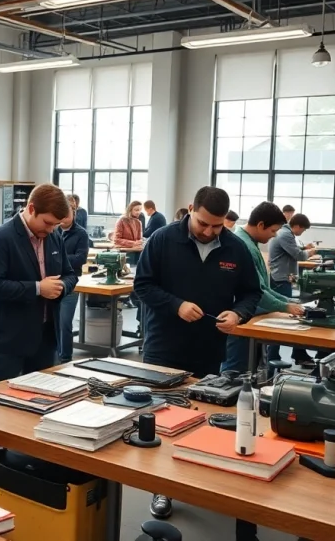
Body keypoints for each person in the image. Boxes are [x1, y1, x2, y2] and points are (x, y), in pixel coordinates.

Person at [134, 186, 261, 534]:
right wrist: (175, 305)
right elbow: (142, 286)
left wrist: (238, 313)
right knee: (161, 418)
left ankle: (197, 481)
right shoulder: (161, 240)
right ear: (191, 209)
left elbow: (252, 292)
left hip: (209, 347)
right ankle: (162, 488)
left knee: (200, 416)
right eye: (203, 223)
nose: (208, 232)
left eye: (216, 227)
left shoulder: (235, 247)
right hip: (164, 345)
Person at [0, 183, 78, 496]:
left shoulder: (55, 236)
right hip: (7, 338)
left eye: (55, 226)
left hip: (43, 337)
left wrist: (62, 285)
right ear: (31, 209)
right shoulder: (1, 237)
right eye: (47, 223)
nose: (50, 230)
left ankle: (30, 470)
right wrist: (37, 288)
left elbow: (71, 273)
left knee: (40, 408)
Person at [221, 202, 306, 373]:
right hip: (241, 317)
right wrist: (286, 306)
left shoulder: (249, 242)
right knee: (234, 372)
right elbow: (258, 290)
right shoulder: (244, 246)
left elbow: (262, 288)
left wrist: (288, 301)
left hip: (249, 315)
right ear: (260, 225)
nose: (274, 236)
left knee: (247, 369)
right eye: (273, 231)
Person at [268, 213, 318, 365]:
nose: (301, 233)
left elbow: (291, 250)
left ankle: (299, 353)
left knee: (293, 315)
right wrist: (310, 252)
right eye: (302, 231)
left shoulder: (287, 233)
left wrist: (303, 247)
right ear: (297, 226)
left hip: (284, 278)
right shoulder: (285, 234)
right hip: (280, 279)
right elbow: (298, 255)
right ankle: (273, 357)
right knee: (281, 318)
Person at [57, 206, 89, 363]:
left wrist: (58, 258)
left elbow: (80, 258)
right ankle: (54, 355)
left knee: (65, 322)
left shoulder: (81, 233)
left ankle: (65, 358)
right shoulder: (53, 231)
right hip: (52, 280)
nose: (63, 217)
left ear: (73, 215)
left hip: (70, 282)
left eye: (66, 214)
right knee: (52, 321)